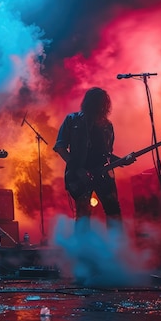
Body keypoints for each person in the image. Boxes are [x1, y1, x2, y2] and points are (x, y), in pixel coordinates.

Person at [53, 87, 134, 235]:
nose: (101, 106)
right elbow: (60, 147)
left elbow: (107, 155)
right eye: (98, 103)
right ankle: (83, 251)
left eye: (103, 103)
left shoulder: (107, 126)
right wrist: (77, 169)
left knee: (113, 211)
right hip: (79, 175)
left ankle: (116, 249)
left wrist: (123, 161)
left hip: (103, 174)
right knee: (83, 213)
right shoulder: (72, 120)